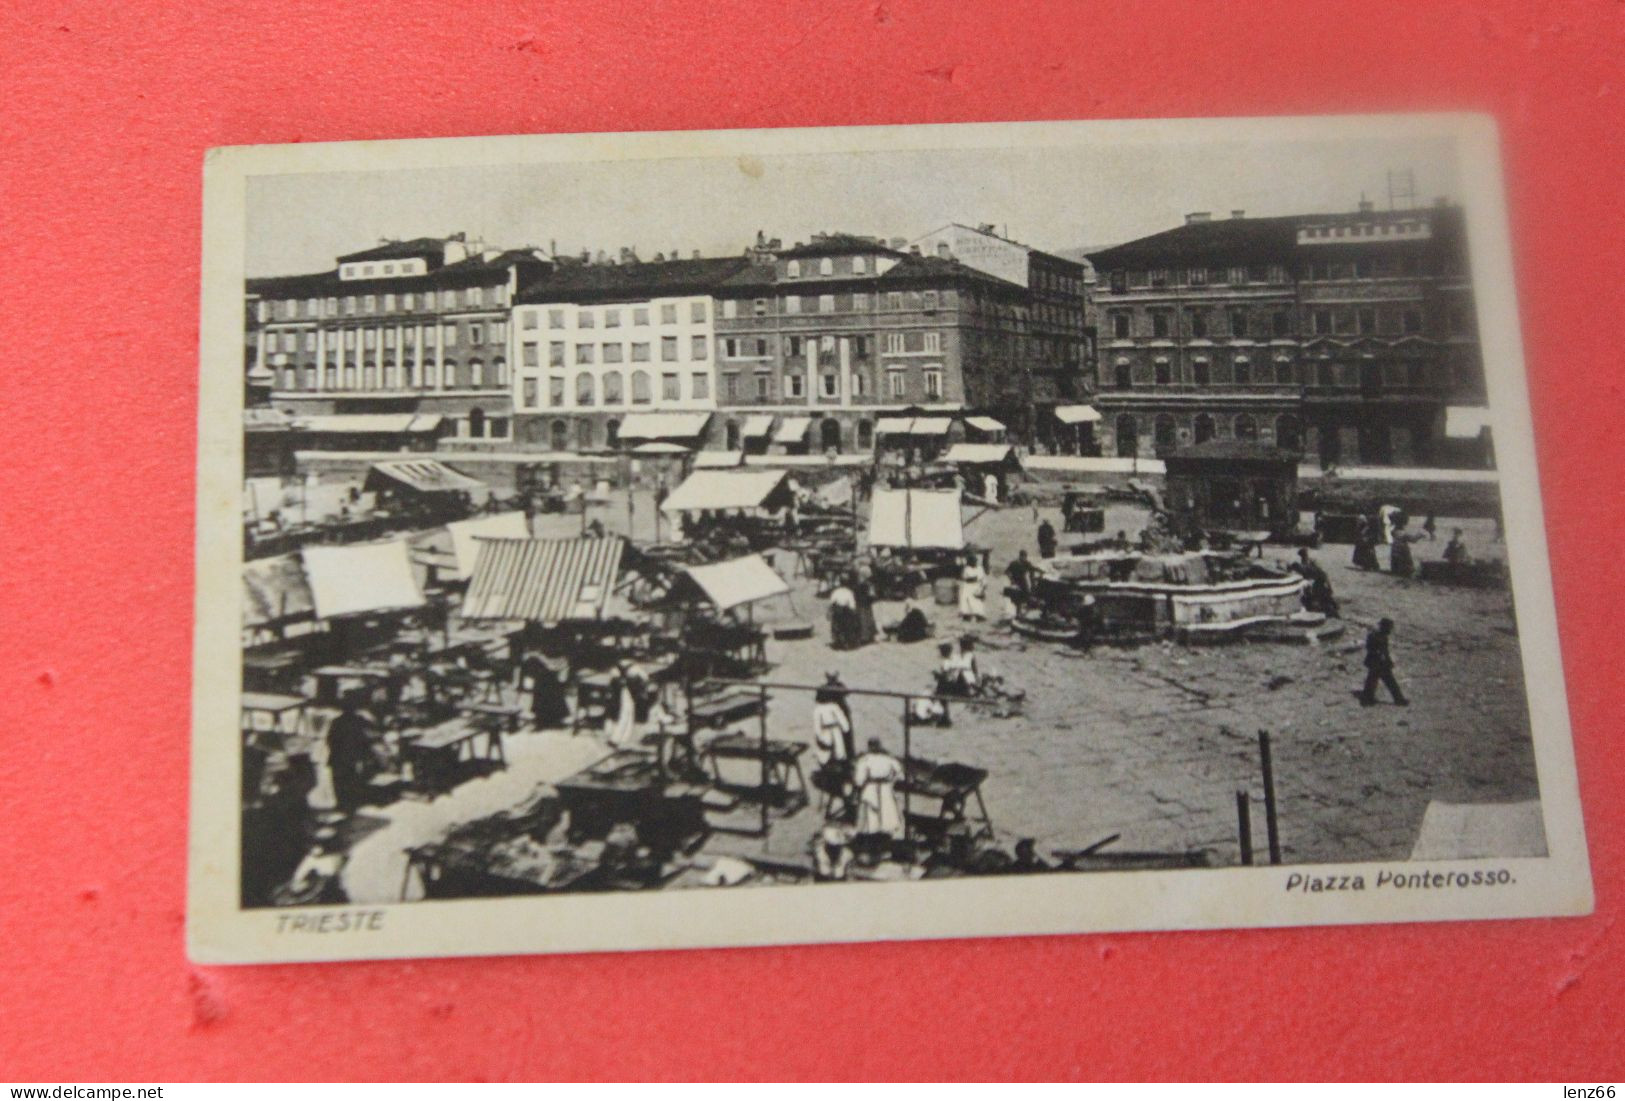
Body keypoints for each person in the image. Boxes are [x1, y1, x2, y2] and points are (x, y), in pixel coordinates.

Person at [326, 706, 377, 814]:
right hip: (349, 758)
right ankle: (349, 804)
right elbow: (364, 738)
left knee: (341, 782)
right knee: (348, 780)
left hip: (339, 758)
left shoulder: (337, 721)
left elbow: (330, 739)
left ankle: (343, 804)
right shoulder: (356, 721)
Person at [852, 738, 905, 841]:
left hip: (871, 787)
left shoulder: (865, 760)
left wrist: (859, 785)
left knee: (872, 811)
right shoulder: (889, 759)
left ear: (869, 747)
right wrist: (891, 781)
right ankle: (884, 833)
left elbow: (859, 780)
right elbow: (901, 775)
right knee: (886, 809)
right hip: (885, 788)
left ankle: (873, 834)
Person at [811, 685, 853, 798]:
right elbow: (844, 724)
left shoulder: (818, 709)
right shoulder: (834, 706)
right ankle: (840, 783)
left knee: (829, 757)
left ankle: (833, 781)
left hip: (827, 733)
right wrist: (844, 729)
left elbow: (817, 727)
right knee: (838, 756)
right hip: (835, 732)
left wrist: (820, 737)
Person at [1359, 617, 1408, 706]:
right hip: (1376, 662)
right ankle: (1398, 700)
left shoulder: (1382, 636)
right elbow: (1370, 648)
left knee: (1374, 681)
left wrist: (1388, 660)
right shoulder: (1374, 635)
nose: (1390, 630)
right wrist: (1380, 655)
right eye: (1389, 627)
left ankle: (1368, 699)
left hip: (1379, 663)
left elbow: (1385, 651)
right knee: (1386, 681)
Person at [603, 659, 651, 747]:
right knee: (624, 713)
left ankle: (621, 738)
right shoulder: (631, 669)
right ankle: (616, 738)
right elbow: (643, 679)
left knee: (626, 713)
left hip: (626, 690)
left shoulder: (632, 668)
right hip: (624, 690)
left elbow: (643, 679)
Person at [521, 652, 569, 728]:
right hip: (543, 660)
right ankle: (542, 716)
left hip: (558, 660)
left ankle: (553, 717)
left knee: (548, 680)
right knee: (542, 678)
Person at [1292, 547, 1339, 617]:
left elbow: (1322, 574)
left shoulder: (1310, 563)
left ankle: (1332, 611)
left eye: (1303, 555)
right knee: (1323, 596)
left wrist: (1328, 585)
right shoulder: (1305, 563)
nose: (1302, 557)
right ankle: (1333, 607)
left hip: (1320, 582)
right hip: (1318, 581)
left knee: (1322, 597)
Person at [828, 578, 860, 650]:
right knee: (847, 627)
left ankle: (837, 641)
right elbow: (852, 605)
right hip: (845, 611)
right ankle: (846, 643)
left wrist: (830, 611)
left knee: (836, 626)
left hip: (837, 611)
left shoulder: (836, 591)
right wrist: (854, 613)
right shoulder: (849, 592)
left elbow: (831, 602)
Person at [958, 553, 987, 621]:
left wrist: (983, 587)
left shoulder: (980, 568)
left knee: (977, 601)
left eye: (975, 561)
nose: (974, 562)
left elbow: (983, 578)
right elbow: (964, 578)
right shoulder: (967, 569)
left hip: (977, 586)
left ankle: (979, 615)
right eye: (972, 561)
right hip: (968, 586)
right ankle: (966, 615)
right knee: (966, 600)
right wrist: (971, 579)